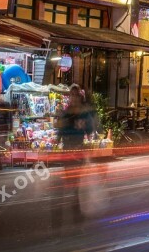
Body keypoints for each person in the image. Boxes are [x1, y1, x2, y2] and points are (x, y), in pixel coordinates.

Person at [52, 84, 96, 228]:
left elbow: (90, 130)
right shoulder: (66, 112)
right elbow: (60, 130)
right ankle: (70, 214)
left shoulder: (83, 114)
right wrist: (57, 140)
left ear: (79, 97)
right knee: (69, 184)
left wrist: (90, 135)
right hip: (67, 151)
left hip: (77, 152)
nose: (73, 98)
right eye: (71, 95)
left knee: (74, 184)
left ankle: (75, 214)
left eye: (76, 95)